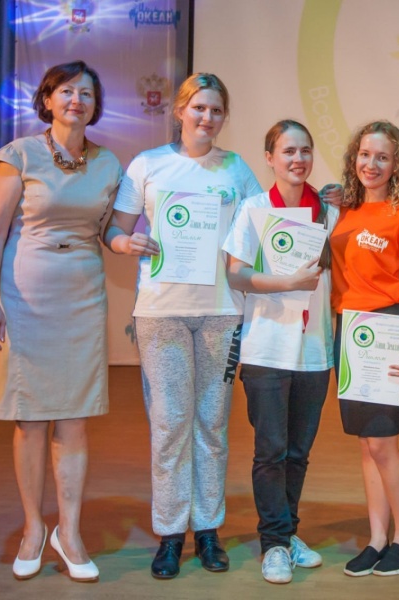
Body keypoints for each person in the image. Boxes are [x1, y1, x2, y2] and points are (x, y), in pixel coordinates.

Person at [104, 73, 260, 579]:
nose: (207, 118)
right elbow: (115, 230)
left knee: (212, 424)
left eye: (216, 110)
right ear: (180, 110)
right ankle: (171, 534)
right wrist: (126, 243)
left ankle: (208, 529)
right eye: (199, 107)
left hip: (222, 311)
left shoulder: (236, 169)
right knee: (171, 424)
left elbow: (267, 220)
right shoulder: (147, 164)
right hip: (161, 313)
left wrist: (323, 204)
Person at [0, 60, 121, 582]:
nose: (76, 100)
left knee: (75, 419)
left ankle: (71, 531)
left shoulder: (108, 163)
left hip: (83, 295)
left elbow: (108, 231)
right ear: (47, 99)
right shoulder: (19, 154)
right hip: (25, 297)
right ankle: (34, 528)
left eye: (86, 93)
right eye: (66, 91)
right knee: (32, 418)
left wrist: (129, 241)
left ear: (95, 105)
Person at [222, 120, 338, 584]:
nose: (298, 159)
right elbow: (235, 274)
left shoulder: (328, 211)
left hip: (314, 351)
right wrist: (288, 282)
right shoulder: (255, 208)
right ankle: (273, 542)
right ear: (270, 158)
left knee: (298, 452)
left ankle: (288, 533)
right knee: (270, 451)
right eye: (288, 151)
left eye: (305, 150)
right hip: (266, 349)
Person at [330, 120, 399, 577]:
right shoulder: (344, 211)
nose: (372, 164)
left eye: (383, 157)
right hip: (349, 331)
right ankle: (376, 538)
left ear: (396, 164)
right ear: (355, 157)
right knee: (366, 444)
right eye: (365, 154)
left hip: (387, 328)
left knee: (384, 442)